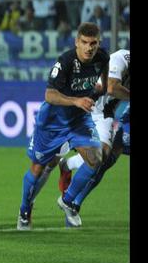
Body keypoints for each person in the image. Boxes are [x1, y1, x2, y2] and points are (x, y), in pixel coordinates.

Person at [17, 22, 109, 231]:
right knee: (39, 168)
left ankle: (67, 201)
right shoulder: (66, 61)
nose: (89, 48)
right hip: (52, 122)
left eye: (93, 43)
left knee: (96, 159)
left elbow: (103, 84)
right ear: (77, 42)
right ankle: (24, 209)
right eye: (84, 43)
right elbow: (49, 95)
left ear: (98, 43)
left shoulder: (103, 57)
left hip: (78, 120)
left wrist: (97, 91)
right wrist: (77, 100)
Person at [54, 49, 129, 217]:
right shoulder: (123, 57)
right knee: (99, 156)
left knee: (104, 159)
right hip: (88, 105)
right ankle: (68, 200)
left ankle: (69, 165)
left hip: (105, 114)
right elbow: (111, 87)